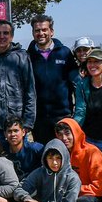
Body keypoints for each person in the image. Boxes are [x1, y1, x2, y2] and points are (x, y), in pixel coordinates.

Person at [0, 19, 36, 143]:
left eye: (5, 33)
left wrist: (28, 122)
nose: (1, 36)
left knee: (18, 160)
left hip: (16, 123)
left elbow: (30, 91)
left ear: (12, 36)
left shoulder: (22, 57)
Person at [27, 14, 76, 145]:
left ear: (51, 32)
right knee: (44, 154)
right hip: (39, 118)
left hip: (62, 116)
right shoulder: (27, 56)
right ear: (32, 33)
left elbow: (75, 82)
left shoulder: (64, 53)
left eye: (44, 30)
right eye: (37, 30)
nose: (41, 33)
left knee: (64, 153)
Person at [72, 48, 102, 157]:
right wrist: (72, 128)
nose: (92, 65)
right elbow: (80, 111)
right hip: (88, 139)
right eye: (89, 62)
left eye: (96, 61)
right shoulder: (82, 85)